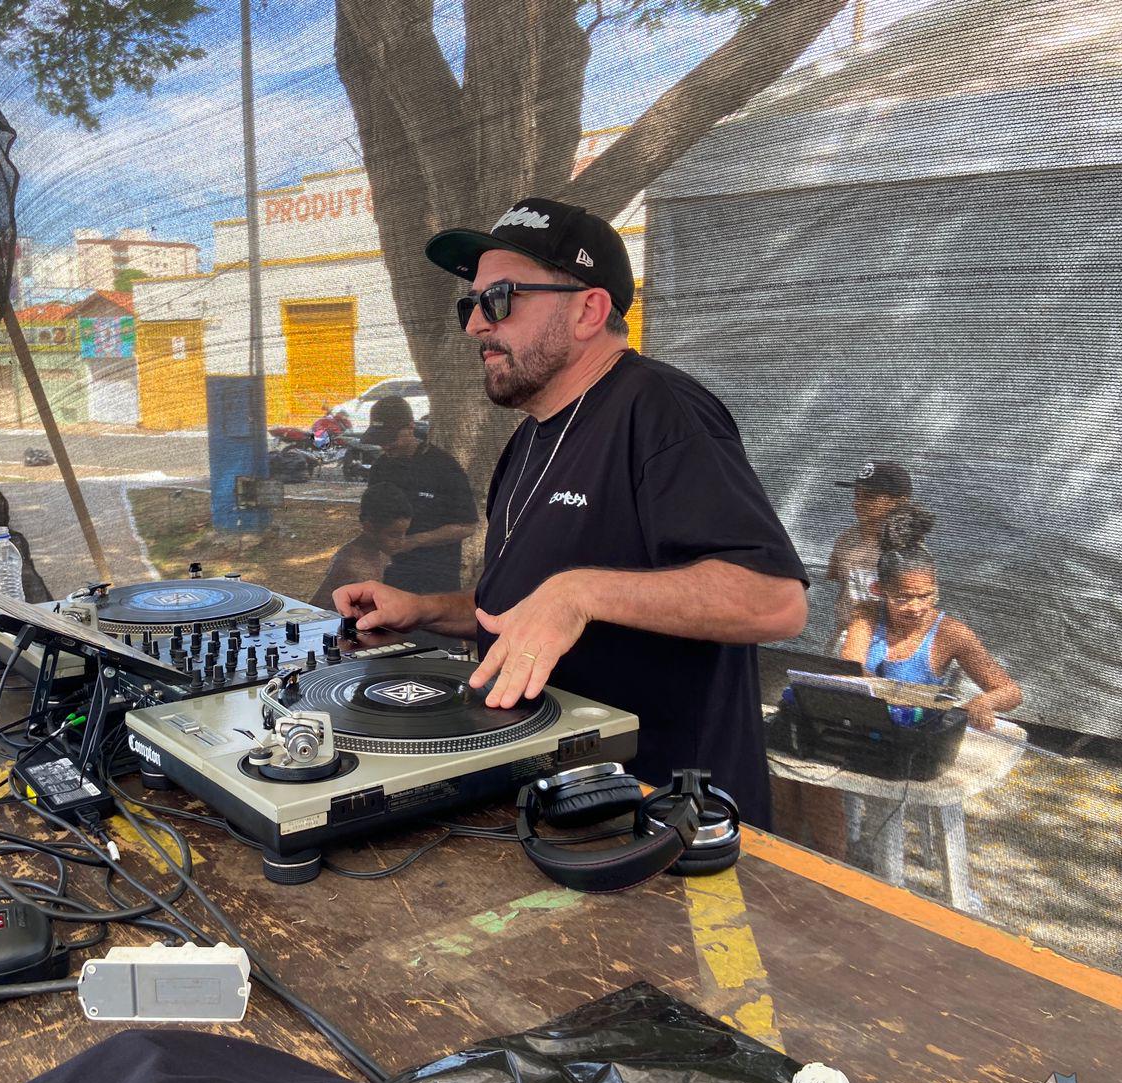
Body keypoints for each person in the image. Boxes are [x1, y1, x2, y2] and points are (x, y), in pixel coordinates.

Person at [333, 196, 808, 829]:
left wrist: (580, 593)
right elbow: (525, 608)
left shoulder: (662, 410)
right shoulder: (528, 438)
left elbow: (774, 600)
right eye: (470, 305)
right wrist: (425, 610)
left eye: (499, 299)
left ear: (588, 310)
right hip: (553, 805)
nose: (475, 326)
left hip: (664, 822)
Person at [841, 506, 1022, 730]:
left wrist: (985, 702)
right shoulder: (867, 614)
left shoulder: (951, 633)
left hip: (917, 732)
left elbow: (1011, 692)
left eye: (926, 596)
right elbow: (851, 668)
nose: (915, 607)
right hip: (865, 724)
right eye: (902, 598)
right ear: (878, 590)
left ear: (936, 589)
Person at [358, 396, 478, 594]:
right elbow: (370, 518)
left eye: (391, 439)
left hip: (436, 578)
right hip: (391, 576)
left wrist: (414, 541)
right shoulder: (380, 467)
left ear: (410, 427)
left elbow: (467, 526)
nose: (386, 446)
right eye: (380, 440)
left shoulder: (443, 466)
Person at [826, 460, 912, 650]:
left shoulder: (909, 549)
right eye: (857, 495)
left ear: (900, 502)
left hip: (892, 643)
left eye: (869, 497)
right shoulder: (846, 539)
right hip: (846, 636)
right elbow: (835, 580)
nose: (857, 503)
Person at [310, 484, 414, 609]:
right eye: (393, 535)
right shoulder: (353, 565)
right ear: (369, 527)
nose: (401, 541)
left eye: (404, 533)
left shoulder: (380, 553)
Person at [0, 489, 54, 604]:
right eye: (0, 513)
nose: (5, 516)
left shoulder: (17, 539)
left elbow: (30, 574)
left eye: (5, 512)